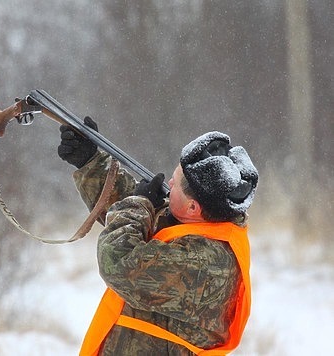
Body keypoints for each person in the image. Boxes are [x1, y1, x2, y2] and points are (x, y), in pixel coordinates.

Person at [58, 117, 258, 356]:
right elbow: (136, 223)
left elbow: (119, 259)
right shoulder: (202, 223)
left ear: (193, 208)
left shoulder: (205, 263)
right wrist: (90, 162)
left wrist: (140, 204)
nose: (169, 182)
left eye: (176, 183)